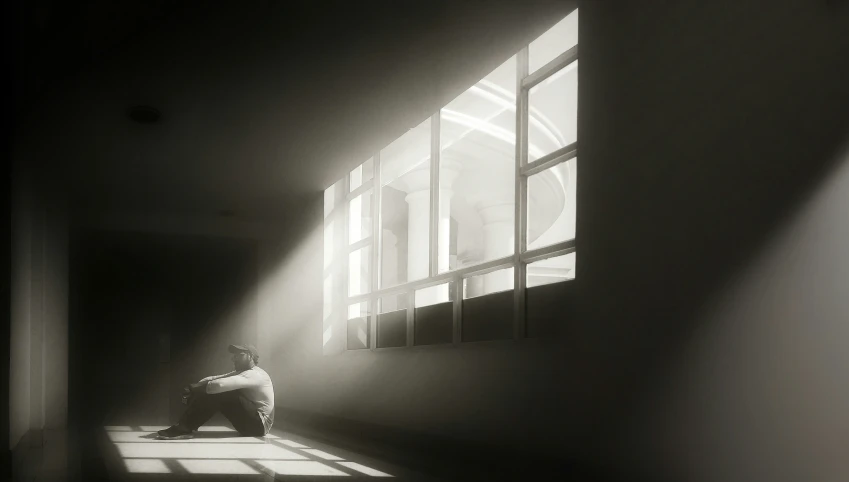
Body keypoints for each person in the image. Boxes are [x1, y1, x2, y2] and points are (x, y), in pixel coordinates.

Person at [156, 343, 275, 440]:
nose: (233, 358)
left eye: (239, 355)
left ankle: (184, 427)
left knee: (221, 391)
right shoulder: (242, 372)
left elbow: (219, 384)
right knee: (214, 388)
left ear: (250, 356)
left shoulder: (256, 374)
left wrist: (195, 390)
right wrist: (192, 387)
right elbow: (213, 378)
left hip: (259, 426)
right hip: (251, 424)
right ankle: (184, 426)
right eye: (234, 355)